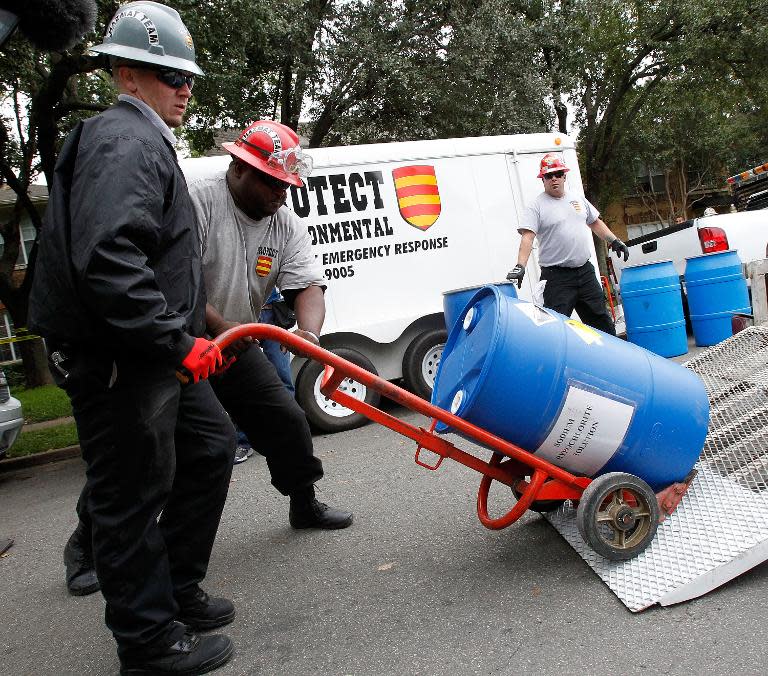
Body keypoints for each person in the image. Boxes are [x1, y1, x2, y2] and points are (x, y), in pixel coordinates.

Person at [29, 3, 237, 674]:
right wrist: (177, 343)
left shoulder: (138, 138)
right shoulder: (123, 141)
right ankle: (148, 645)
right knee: (130, 497)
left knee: (206, 448)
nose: (184, 87)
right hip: (123, 358)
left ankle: (176, 591)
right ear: (125, 72)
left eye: (187, 76)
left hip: (150, 350)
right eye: (166, 73)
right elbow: (110, 258)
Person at [192, 119, 353, 532]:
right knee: (155, 447)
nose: (281, 194)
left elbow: (308, 286)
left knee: (287, 420)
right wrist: (223, 327)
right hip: (186, 342)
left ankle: (304, 502)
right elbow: (179, 282)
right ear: (239, 167)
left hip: (238, 343)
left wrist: (309, 332)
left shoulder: (285, 223)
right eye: (271, 183)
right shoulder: (198, 203)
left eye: (286, 186)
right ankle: (90, 542)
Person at [506, 153, 629, 335]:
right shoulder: (536, 206)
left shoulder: (577, 199)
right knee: (555, 329)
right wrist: (520, 266)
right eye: (549, 176)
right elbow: (527, 237)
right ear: (543, 180)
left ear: (564, 175)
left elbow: (594, 222)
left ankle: (612, 361)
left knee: (602, 323)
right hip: (557, 278)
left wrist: (615, 241)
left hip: (585, 272)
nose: (554, 178)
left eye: (558, 174)